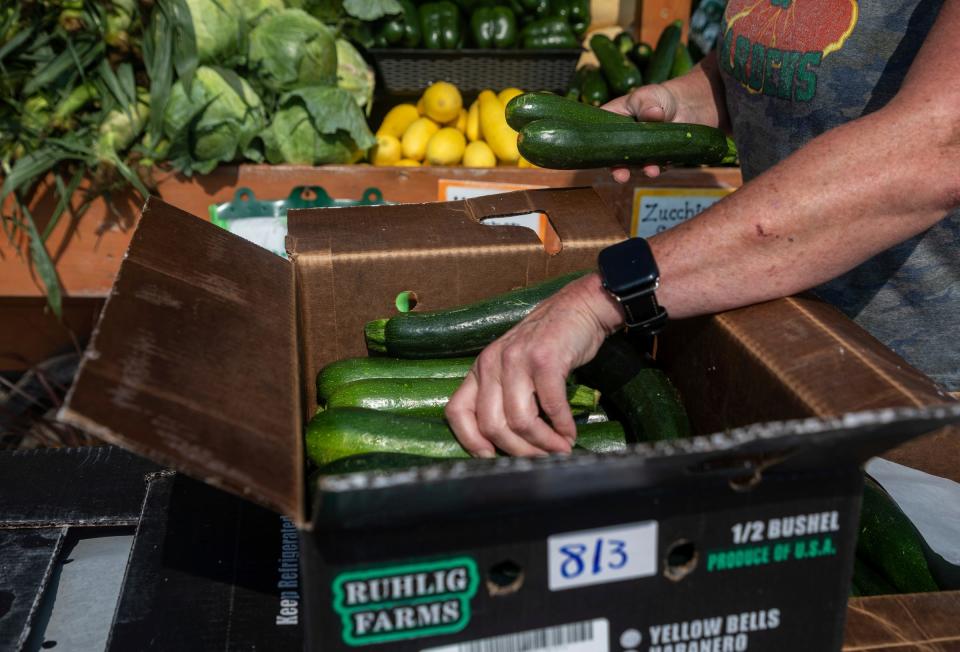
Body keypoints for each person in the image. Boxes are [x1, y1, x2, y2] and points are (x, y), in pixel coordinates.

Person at [446, 0, 960, 458]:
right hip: (776, 332)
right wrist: (687, 100)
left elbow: (937, 148)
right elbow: (773, 52)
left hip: (918, 394)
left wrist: (604, 297)